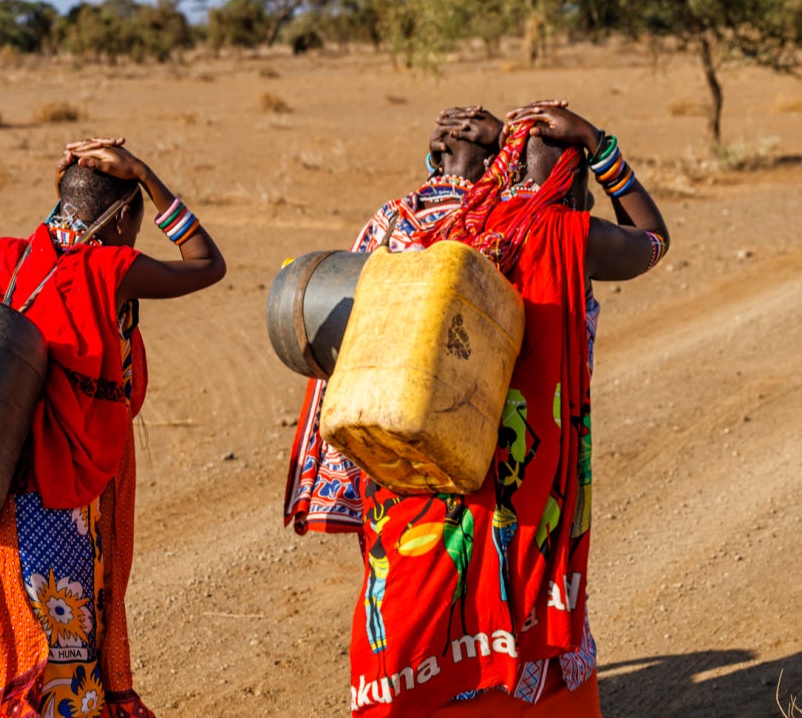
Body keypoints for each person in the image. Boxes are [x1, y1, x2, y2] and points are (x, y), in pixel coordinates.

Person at [334, 103, 669, 717]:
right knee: (524, 603)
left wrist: (483, 151)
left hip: (429, 469)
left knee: (425, 613)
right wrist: (601, 144)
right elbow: (653, 241)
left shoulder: (441, 231)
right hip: (528, 476)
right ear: (574, 189)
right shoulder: (573, 237)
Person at [0, 138, 226, 718]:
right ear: (123, 221)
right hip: (52, 500)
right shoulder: (111, 267)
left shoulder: (3, 258)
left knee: (3, 658)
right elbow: (207, 265)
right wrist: (146, 175)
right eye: (136, 223)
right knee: (59, 666)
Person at [286, 105, 506, 535]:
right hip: (459, 426)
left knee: (389, 551)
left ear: (437, 157)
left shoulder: (391, 220)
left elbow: (344, 322)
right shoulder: (495, 222)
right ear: (492, 163)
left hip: (380, 423)